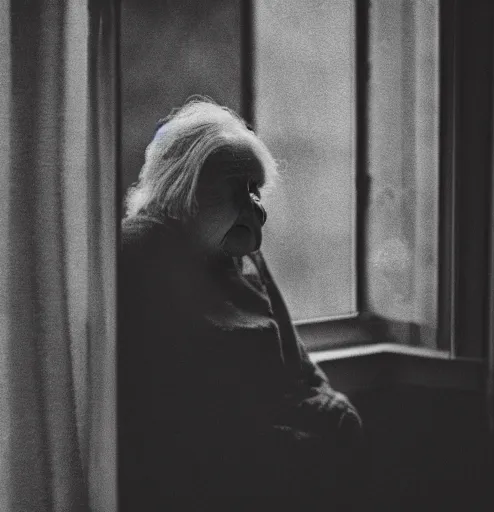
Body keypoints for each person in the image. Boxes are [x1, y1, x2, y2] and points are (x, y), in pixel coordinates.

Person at [119, 98, 366, 509]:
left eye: (256, 190)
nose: (258, 210)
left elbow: (297, 364)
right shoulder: (139, 252)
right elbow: (174, 418)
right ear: (184, 189)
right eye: (236, 190)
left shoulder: (238, 255)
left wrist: (332, 410)